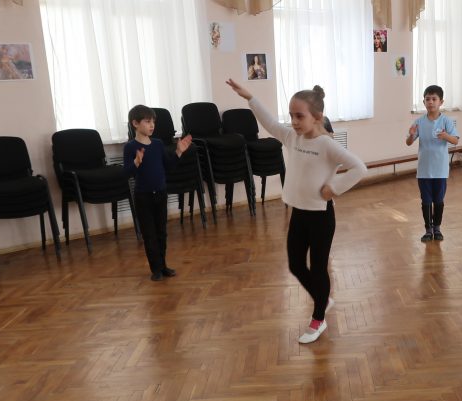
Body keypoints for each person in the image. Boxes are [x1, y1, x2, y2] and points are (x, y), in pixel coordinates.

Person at [226, 78, 368, 344]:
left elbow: (360, 167)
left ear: (317, 117)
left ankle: (318, 319)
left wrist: (334, 187)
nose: (293, 121)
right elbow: (269, 123)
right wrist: (250, 98)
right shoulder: (292, 137)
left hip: (321, 216)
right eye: (291, 115)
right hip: (299, 213)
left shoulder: (327, 144)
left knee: (317, 268)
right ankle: (323, 298)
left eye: (299, 116)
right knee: (294, 264)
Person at [124, 105, 192, 281]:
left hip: (161, 193)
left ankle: (163, 266)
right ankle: (155, 269)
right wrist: (137, 162)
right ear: (135, 124)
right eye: (147, 121)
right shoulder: (130, 147)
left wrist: (178, 152)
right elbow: (127, 173)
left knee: (161, 232)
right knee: (149, 234)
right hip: (143, 196)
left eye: (153, 121)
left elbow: (168, 166)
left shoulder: (158, 144)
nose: (152, 125)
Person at [406, 85, 459, 242]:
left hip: (440, 170)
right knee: (426, 201)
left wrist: (446, 136)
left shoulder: (446, 121)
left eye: (434, 99)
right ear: (424, 102)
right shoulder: (419, 122)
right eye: (427, 99)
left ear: (441, 102)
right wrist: (410, 135)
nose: (431, 102)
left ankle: (437, 228)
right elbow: (409, 142)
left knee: (439, 201)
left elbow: (455, 140)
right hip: (424, 170)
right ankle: (428, 230)